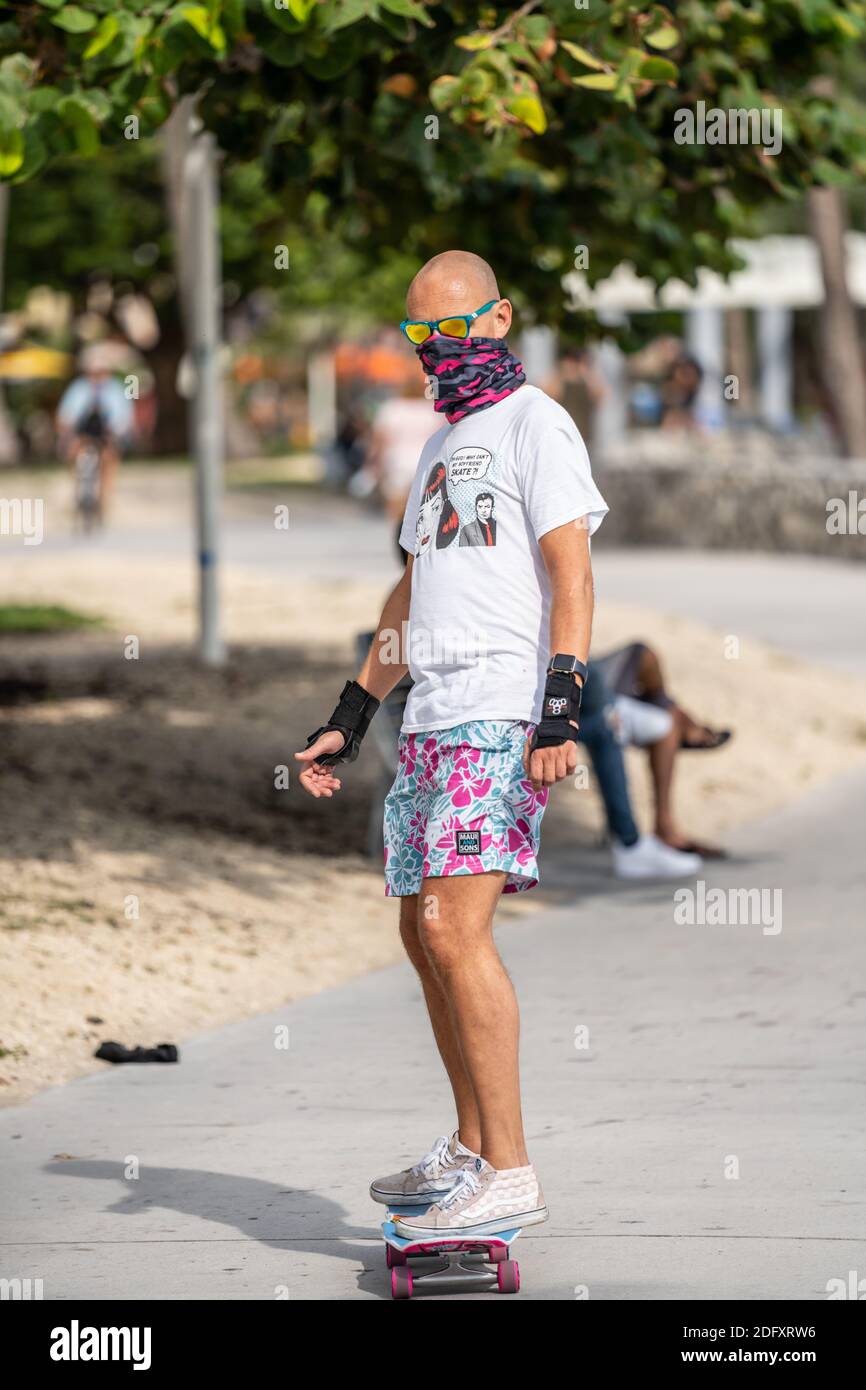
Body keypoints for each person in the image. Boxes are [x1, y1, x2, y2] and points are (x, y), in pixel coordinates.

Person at [295, 250, 609, 1239]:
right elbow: (409, 590)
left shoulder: (535, 425)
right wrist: (349, 715)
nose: (433, 350)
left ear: (497, 319)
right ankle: (471, 1148)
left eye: (448, 331)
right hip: (426, 715)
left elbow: (570, 573)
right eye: (417, 336)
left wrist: (559, 708)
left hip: (499, 710)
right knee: (416, 931)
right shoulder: (437, 444)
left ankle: (509, 1168)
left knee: (452, 931)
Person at [594, 641, 732, 858]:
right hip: (569, 686)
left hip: (573, 675)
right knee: (667, 720)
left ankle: (681, 719)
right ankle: (664, 827)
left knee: (645, 656)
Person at [56, 358, 134, 518]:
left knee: (109, 457)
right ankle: (77, 492)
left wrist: (116, 431)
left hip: (106, 433)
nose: (97, 376)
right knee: (72, 451)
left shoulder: (115, 389)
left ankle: (104, 499)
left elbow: (123, 417)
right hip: (83, 432)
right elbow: (66, 414)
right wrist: (66, 431)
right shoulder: (79, 388)